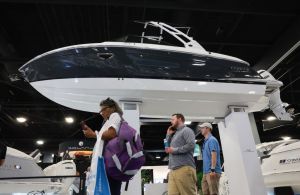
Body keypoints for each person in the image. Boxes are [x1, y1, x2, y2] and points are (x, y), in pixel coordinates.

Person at [82, 97, 123, 195]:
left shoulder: (115, 116)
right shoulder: (107, 121)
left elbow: (111, 134)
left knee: (111, 190)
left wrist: (93, 134)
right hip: (109, 163)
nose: (101, 113)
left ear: (112, 108)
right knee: (108, 191)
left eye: (103, 110)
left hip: (112, 164)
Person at [165, 113, 197, 195]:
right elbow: (167, 148)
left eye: (173, 119)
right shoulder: (175, 134)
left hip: (184, 168)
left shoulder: (187, 130)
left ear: (179, 119)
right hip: (173, 169)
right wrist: (168, 135)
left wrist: (174, 150)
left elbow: (191, 145)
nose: (171, 121)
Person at [199, 123, 222, 195]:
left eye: (203, 128)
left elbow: (214, 155)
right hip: (206, 172)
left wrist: (212, 169)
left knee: (214, 193)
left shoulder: (212, 140)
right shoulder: (205, 142)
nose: (201, 129)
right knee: (205, 192)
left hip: (212, 171)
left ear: (208, 128)